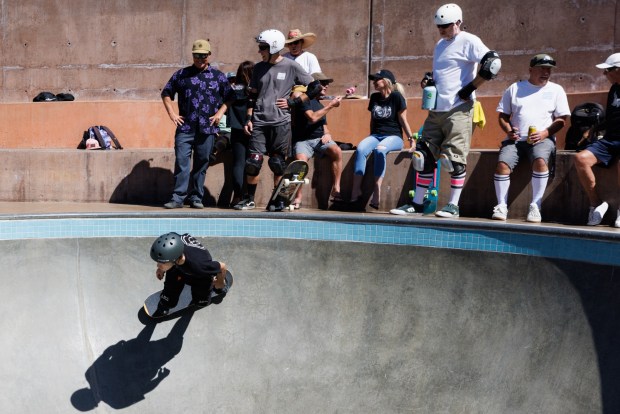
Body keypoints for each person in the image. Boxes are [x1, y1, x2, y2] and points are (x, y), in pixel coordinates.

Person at [409, 3, 501, 218]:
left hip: (459, 109)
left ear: (458, 22)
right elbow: (443, 73)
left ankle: (453, 205)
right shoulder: (440, 44)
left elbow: (492, 63)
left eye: (446, 26)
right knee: (422, 156)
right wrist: (429, 80)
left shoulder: (469, 40)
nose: (442, 30)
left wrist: (471, 87)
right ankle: (417, 203)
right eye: (439, 26)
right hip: (436, 109)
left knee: (453, 159)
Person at [235, 29, 318, 210]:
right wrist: (249, 118)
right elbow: (252, 97)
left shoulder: (291, 66)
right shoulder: (258, 68)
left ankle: (277, 199)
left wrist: (293, 102)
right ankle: (249, 199)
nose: (259, 51)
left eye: (262, 48)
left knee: (277, 163)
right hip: (259, 123)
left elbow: (315, 87)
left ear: (273, 47)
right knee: (253, 163)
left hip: (280, 123)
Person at [490, 53, 570, 223]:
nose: (546, 72)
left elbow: (562, 119)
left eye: (548, 69)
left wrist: (544, 134)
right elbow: (503, 116)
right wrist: (509, 130)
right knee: (502, 165)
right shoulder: (515, 88)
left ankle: (536, 205)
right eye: (542, 68)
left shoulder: (556, 90)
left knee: (540, 161)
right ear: (530, 69)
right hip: (516, 139)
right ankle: (501, 205)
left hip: (543, 138)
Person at [161, 39, 234, 209]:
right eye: (196, 56)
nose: (200, 59)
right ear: (192, 56)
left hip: (207, 128)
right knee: (182, 162)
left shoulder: (217, 76)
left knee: (202, 163)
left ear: (209, 55)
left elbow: (230, 97)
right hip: (186, 128)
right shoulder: (182, 75)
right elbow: (166, 93)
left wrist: (219, 113)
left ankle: (196, 197)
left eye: (203, 56)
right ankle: (178, 198)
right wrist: (172, 114)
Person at [349, 69, 414, 210]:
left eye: (376, 80)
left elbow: (403, 120)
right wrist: (370, 136)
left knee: (380, 150)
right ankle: (356, 189)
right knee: (361, 149)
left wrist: (411, 139)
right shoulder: (374, 97)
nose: (373, 82)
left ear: (385, 81)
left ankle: (377, 190)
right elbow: (372, 120)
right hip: (376, 135)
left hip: (394, 137)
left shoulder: (397, 97)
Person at [574, 52, 620, 227]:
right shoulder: (614, 89)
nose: (604, 74)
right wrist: (592, 130)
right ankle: (596, 204)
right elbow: (610, 117)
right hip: (610, 140)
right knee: (580, 158)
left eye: (607, 71)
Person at [291, 72, 343, 208]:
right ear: (313, 85)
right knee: (300, 163)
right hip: (303, 140)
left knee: (337, 151)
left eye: (327, 84)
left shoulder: (320, 105)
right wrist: (331, 105)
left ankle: (336, 188)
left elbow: (323, 125)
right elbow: (313, 118)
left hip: (319, 139)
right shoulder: (303, 99)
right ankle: (298, 196)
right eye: (323, 84)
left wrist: (328, 134)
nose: (326, 87)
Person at [149, 232, 228, 317]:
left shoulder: (199, 266)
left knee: (201, 302)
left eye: (161, 263)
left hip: (199, 276)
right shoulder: (173, 241)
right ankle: (165, 304)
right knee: (169, 292)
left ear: (174, 259)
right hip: (177, 268)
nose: (158, 265)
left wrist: (220, 282)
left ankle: (218, 288)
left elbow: (222, 267)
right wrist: (161, 269)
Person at [227, 61, 255, 207]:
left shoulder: (232, 89)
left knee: (238, 163)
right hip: (254, 129)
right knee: (253, 163)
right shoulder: (253, 90)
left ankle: (237, 196)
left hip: (237, 129)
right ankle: (250, 197)